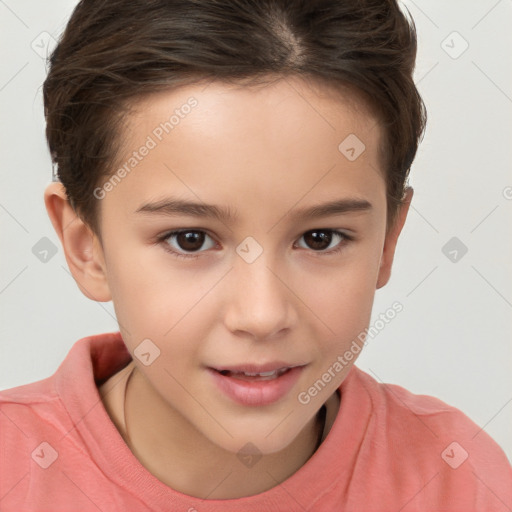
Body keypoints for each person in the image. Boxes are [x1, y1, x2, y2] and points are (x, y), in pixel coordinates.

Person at [1, 0, 511, 510]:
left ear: (387, 241)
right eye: (190, 240)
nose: (263, 315)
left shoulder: (458, 480)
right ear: (86, 246)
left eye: (320, 238)